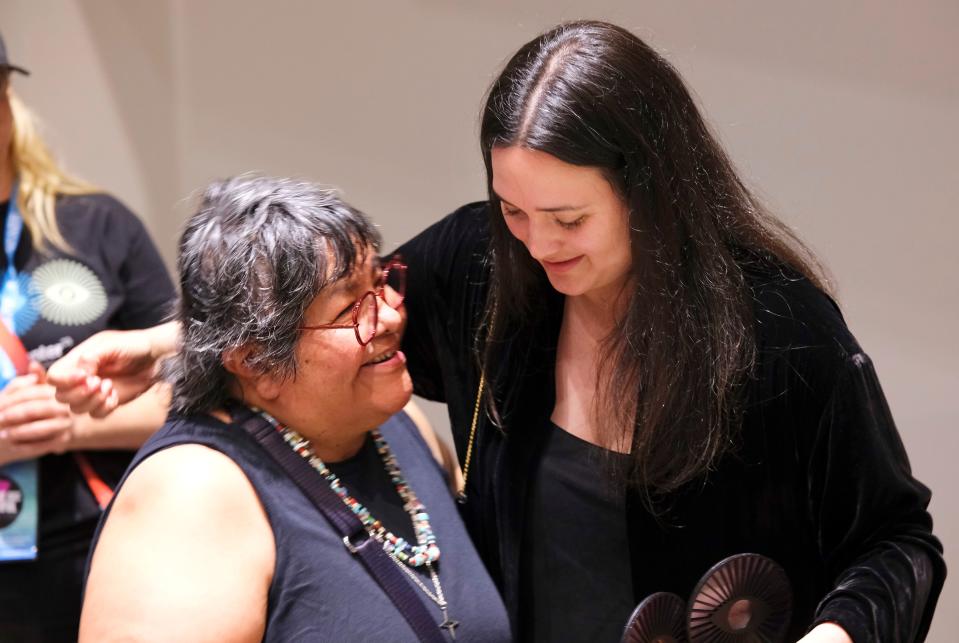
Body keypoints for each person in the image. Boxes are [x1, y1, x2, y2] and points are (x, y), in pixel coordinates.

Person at [51, 21, 945, 642]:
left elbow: (896, 541)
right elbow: (320, 309)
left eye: (567, 218)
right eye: (512, 208)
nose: (537, 243)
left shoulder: (777, 332)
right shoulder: (488, 268)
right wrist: (172, 341)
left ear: (650, 192)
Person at [78, 176, 510, 642]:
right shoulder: (190, 494)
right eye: (350, 307)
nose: (389, 316)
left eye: (381, 282)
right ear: (256, 361)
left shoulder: (401, 428)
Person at [0, 33, 174, 640]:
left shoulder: (97, 225)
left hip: (102, 543)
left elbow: (196, 392)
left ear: (7, 96)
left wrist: (64, 425)